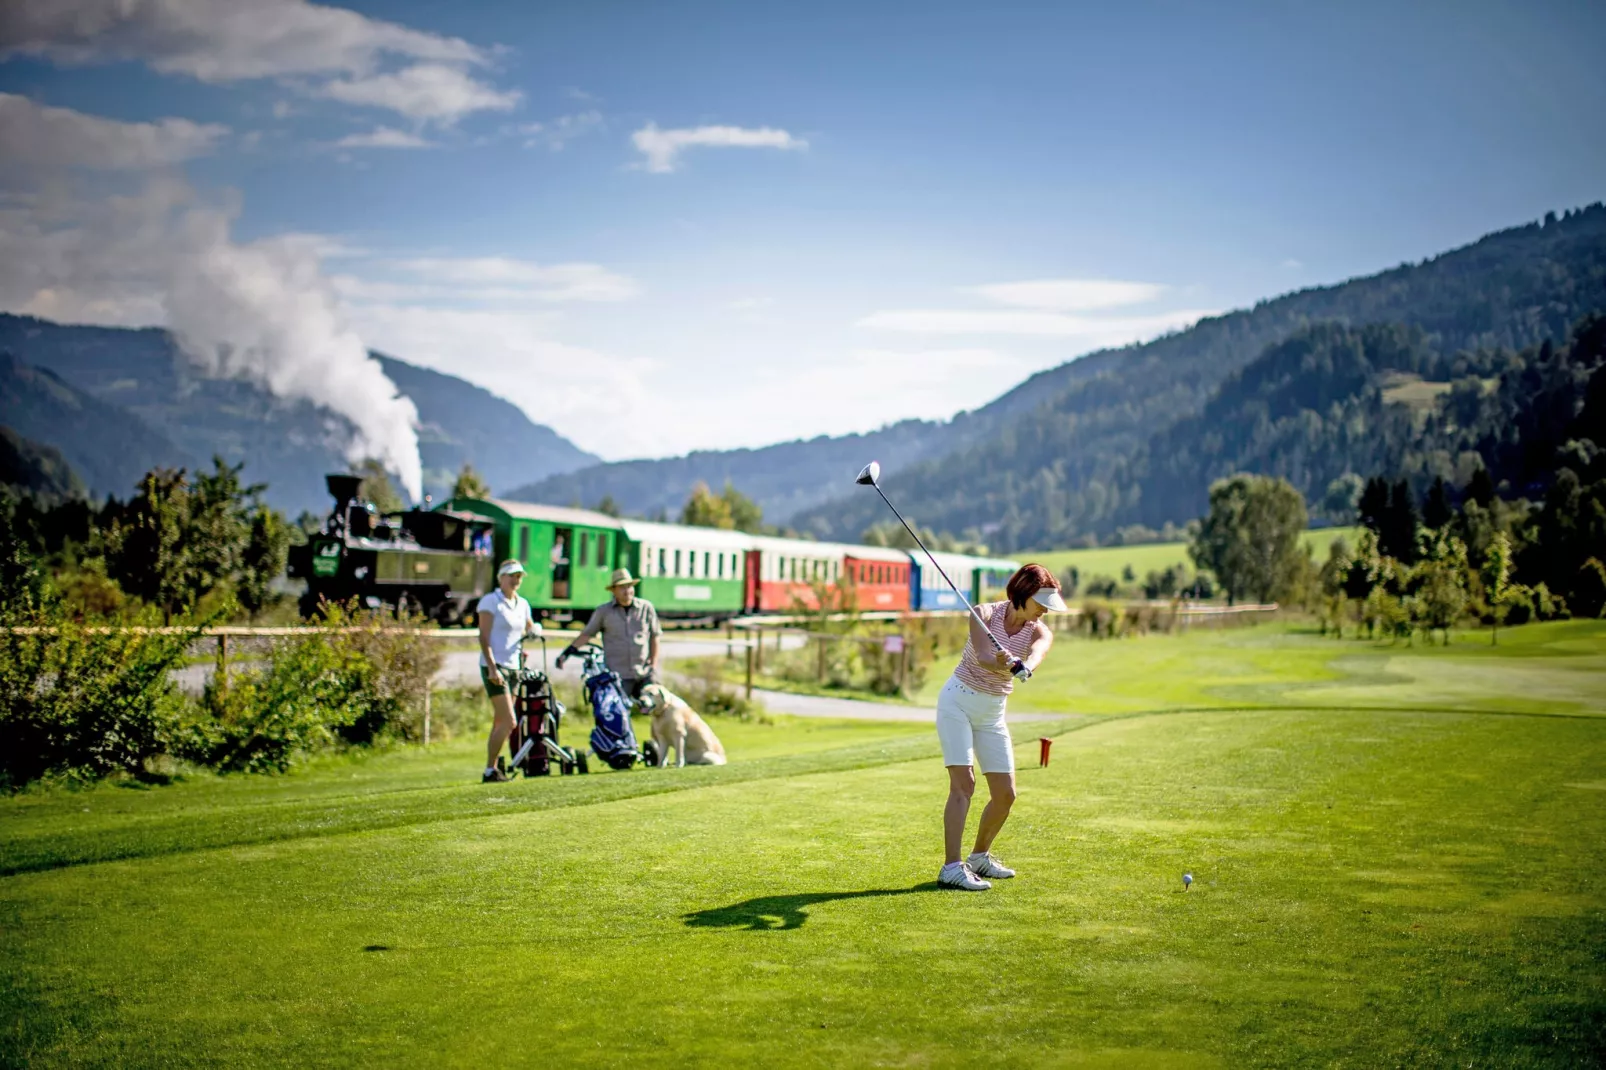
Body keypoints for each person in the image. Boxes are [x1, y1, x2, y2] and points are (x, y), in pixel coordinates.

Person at [934, 563, 1066, 891]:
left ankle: (979, 856)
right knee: (964, 784)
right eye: (1041, 604)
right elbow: (980, 654)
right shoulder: (983, 613)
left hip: (992, 713)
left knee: (1005, 795)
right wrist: (1001, 660)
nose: (1044, 612)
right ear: (1023, 595)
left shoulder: (1038, 629)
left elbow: (1038, 652)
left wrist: (1024, 666)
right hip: (958, 703)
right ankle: (951, 867)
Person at [478, 559, 542, 783]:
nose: (515, 580)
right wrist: (493, 667)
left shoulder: (522, 604)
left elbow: (529, 626)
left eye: (519, 577)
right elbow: (484, 636)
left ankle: (493, 768)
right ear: (501, 578)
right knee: (509, 721)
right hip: (495, 666)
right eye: (511, 576)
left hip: (515, 666)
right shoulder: (491, 601)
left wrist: (535, 631)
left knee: (500, 721)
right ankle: (489, 769)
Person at [560, 567, 661, 698]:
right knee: (619, 713)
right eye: (622, 587)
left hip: (643, 672)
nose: (627, 591)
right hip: (618, 675)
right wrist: (567, 652)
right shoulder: (604, 612)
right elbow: (587, 634)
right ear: (613, 590)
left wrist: (653, 663)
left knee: (655, 708)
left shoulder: (646, 608)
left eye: (629, 586)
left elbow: (655, 636)